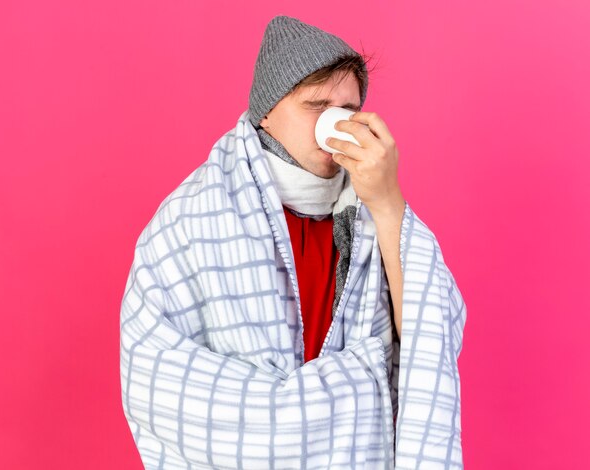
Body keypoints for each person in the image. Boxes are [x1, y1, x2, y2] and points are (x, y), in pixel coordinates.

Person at [120, 15, 467, 469]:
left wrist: (387, 202)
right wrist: (353, 391)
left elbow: (430, 336)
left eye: (349, 109)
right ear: (266, 110)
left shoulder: (375, 213)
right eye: (317, 106)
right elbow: (156, 382)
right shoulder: (188, 221)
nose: (338, 125)